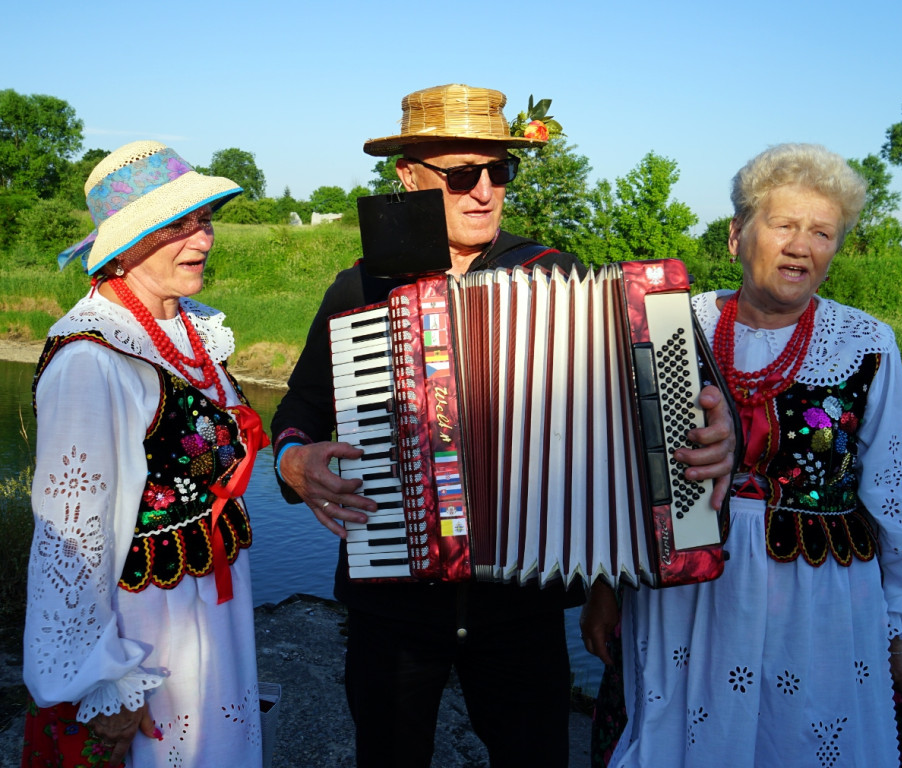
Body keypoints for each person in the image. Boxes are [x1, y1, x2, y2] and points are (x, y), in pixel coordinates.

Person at [270, 83, 736, 767]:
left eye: (499, 170)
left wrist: (712, 431)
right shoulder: (360, 287)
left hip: (522, 605)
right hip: (394, 606)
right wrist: (292, 463)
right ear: (408, 176)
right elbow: (300, 410)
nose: (484, 190)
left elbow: (625, 442)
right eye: (462, 174)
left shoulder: (556, 277)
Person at [582, 143, 902, 767]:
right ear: (736, 237)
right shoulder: (669, 321)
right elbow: (621, 469)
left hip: (816, 595)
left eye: (822, 232)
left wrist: (897, 626)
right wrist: (607, 586)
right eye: (784, 225)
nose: (802, 246)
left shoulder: (866, 342)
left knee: (796, 741)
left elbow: (896, 487)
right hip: (683, 590)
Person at [22, 140, 267, 768]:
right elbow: (71, 540)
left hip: (212, 606)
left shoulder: (188, 327)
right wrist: (105, 680)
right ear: (128, 246)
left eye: (204, 219)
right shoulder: (91, 360)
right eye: (177, 226)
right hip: (148, 630)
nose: (203, 239)